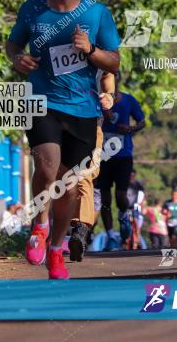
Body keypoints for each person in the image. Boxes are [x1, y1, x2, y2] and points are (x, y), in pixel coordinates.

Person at [6, 0, 120, 279]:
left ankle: (56, 248)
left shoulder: (97, 14)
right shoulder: (32, 11)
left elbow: (114, 61)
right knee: (46, 163)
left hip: (82, 108)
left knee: (69, 185)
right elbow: (13, 44)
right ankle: (39, 224)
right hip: (41, 100)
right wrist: (17, 59)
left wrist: (92, 51)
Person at [94, 71, 146, 251]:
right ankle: (110, 236)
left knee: (120, 196)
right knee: (105, 198)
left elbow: (142, 121)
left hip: (123, 155)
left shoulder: (128, 100)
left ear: (117, 81)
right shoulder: (96, 100)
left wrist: (130, 128)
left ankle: (124, 214)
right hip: (103, 157)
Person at [68, 70, 116, 262]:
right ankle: (44, 230)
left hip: (91, 121)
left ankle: (80, 230)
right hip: (56, 118)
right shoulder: (50, 43)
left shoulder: (96, 46)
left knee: (84, 174)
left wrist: (109, 95)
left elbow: (108, 73)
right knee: (56, 175)